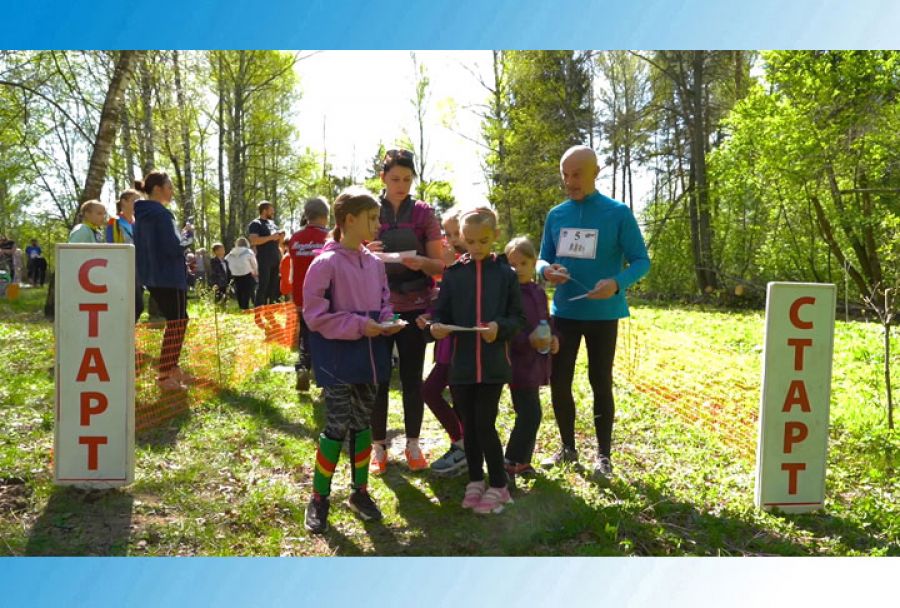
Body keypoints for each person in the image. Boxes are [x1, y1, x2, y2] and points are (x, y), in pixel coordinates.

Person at [536, 145, 650, 478]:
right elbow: (542, 257)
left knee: (600, 381)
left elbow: (641, 261)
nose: (570, 182)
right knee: (559, 380)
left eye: (577, 175)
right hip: (565, 312)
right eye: (565, 175)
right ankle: (568, 449)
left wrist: (616, 283)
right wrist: (545, 271)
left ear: (595, 173)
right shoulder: (557, 215)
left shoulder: (618, 213)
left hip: (603, 313)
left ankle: (603, 457)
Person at [302, 186, 404, 534]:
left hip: (371, 358)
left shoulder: (375, 263)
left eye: (378, 218)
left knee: (362, 426)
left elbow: (384, 299)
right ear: (348, 220)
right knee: (337, 425)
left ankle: (359, 493)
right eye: (372, 218)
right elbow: (315, 316)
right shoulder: (324, 264)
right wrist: (362, 325)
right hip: (337, 359)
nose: (378, 225)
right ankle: (319, 498)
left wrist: (388, 320)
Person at [429, 207, 525, 514]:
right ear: (461, 239)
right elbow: (440, 313)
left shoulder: (506, 275)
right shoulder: (454, 274)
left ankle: (499, 485)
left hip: (494, 365)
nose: (476, 247)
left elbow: (517, 318)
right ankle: (475, 479)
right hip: (462, 365)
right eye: (469, 241)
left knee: (485, 424)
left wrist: (499, 328)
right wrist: (438, 327)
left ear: (495, 236)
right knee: (468, 425)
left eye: (483, 241)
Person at [367, 149, 446, 474]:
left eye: (407, 179)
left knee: (412, 379)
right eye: (395, 178)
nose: (401, 185)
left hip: (416, 309)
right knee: (379, 380)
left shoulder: (425, 213)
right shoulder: (368, 210)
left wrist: (421, 263)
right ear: (383, 177)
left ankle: (413, 444)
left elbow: (441, 265)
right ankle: (378, 449)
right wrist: (365, 252)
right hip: (377, 308)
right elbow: (345, 251)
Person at [504, 236, 559, 481]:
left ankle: (522, 462)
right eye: (512, 264)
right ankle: (510, 460)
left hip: (536, 362)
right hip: (518, 364)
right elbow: (509, 331)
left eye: (523, 264)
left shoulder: (538, 291)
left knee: (530, 412)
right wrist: (528, 340)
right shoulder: (508, 296)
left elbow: (546, 319)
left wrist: (554, 337)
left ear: (533, 262)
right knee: (530, 413)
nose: (517, 269)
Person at [133, 171, 194, 391]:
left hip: (152, 276)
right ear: (157, 188)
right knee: (178, 322)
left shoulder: (141, 215)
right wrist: (188, 236)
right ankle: (165, 374)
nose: (172, 191)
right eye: (169, 186)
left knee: (176, 320)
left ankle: (172, 367)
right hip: (169, 276)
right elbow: (173, 247)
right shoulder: (162, 214)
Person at [419, 204, 469, 476]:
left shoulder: (472, 266)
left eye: (455, 233)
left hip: (462, 349)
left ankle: (462, 445)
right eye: (446, 234)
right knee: (434, 392)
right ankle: (461, 445)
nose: (451, 240)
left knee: (433, 391)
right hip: (446, 347)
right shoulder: (452, 266)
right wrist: (430, 315)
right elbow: (446, 301)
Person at [287, 197, 330, 391]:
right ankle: (324, 375)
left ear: (306, 215)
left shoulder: (295, 238)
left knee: (305, 334)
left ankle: (303, 367)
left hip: (300, 295)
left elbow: (293, 270)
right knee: (325, 335)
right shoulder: (330, 238)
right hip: (325, 296)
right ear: (326, 216)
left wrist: (292, 295)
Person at [106, 188, 144, 321]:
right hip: (121, 267)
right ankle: (122, 333)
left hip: (138, 267)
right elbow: (110, 244)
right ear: (124, 202)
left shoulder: (138, 222)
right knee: (134, 305)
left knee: (137, 305)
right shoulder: (114, 222)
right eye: (135, 200)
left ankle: (127, 334)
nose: (139, 204)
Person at [247, 201, 284, 307]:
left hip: (275, 258)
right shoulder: (255, 224)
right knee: (263, 285)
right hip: (264, 259)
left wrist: (280, 237)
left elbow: (278, 242)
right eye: (271, 209)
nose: (273, 211)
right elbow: (254, 240)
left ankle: (270, 311)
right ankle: (258, 312)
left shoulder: (273, 224)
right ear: (264, 210)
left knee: (273, 286)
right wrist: (271, 237)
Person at [225, 238, 258, 310]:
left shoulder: (231, 252)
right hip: (247, 273)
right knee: (247, 291)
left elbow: (226, 259)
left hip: (235, 275)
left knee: (239, 291)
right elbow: (254, 263)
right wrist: (255, 271)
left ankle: (241, 306)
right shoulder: (248, 251)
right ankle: (245, 307)